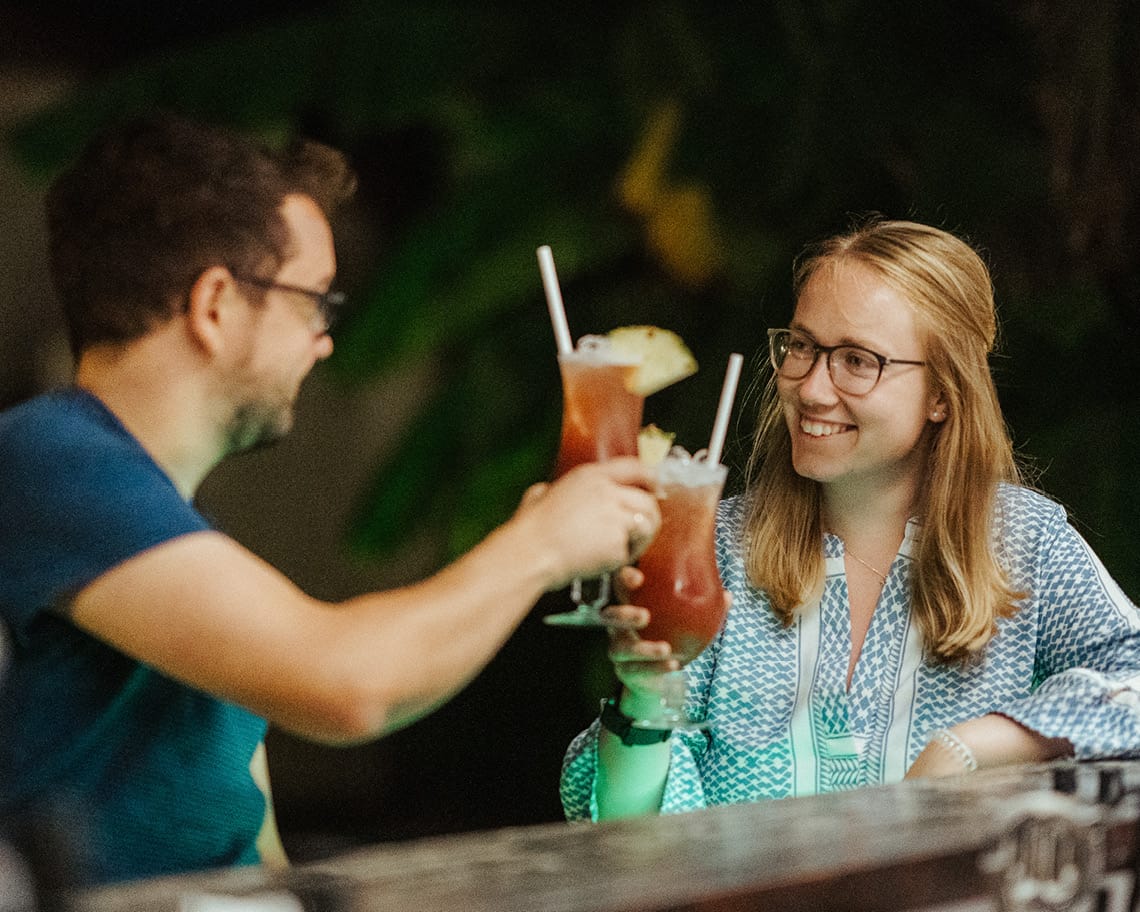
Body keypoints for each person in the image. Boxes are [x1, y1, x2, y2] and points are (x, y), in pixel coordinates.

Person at [0, 111, 662, 885]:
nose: (325, 339)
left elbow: (257, 832)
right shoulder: (47, 460)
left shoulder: (166, 535)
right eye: (314, 300)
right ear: (215, 306)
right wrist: (543, 545)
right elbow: (350, 687)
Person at [563, 216, 1140, 821]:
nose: (811, 389)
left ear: (942, 394)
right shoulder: (714, 546)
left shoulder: (1022, 543)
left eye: (858, 361)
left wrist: (972, 745)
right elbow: (626, 832)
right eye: (803, 347)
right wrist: (645, 704)